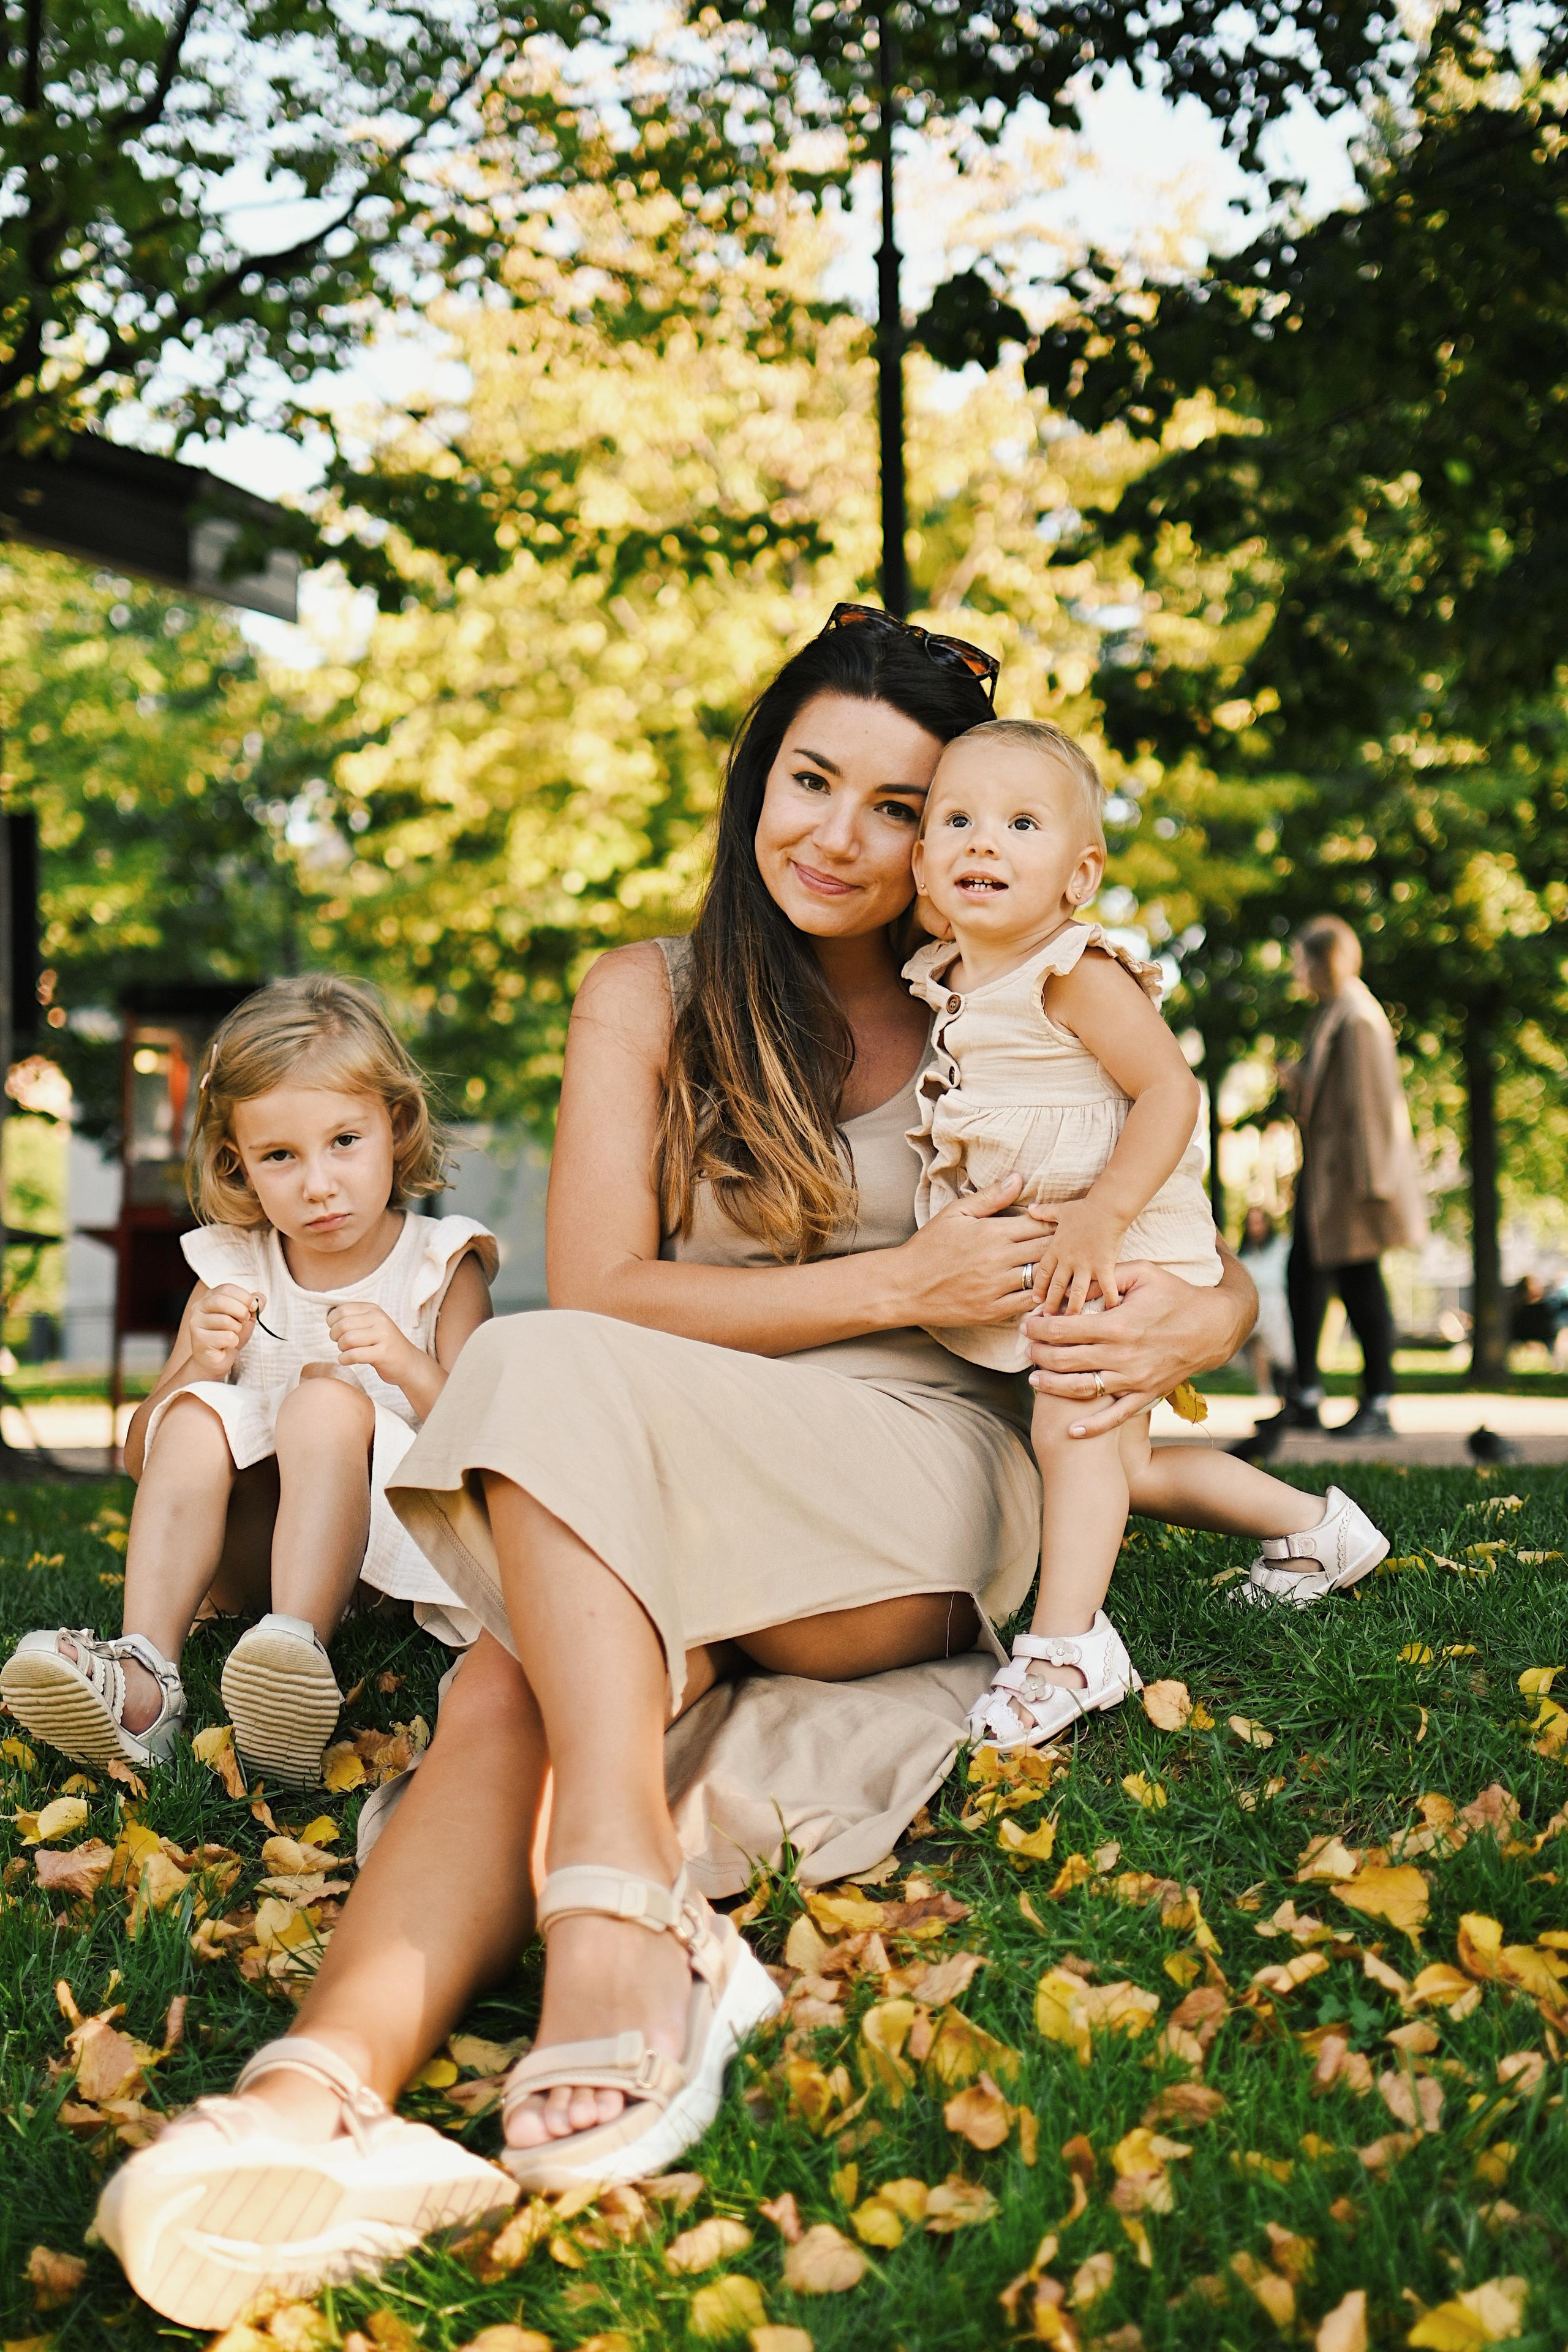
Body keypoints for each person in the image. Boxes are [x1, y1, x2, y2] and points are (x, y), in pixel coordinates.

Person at [94, 609, 1260, 2328]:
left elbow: (1172, 1213)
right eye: (814, 781)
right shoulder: (648, 993)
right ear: (755, 773)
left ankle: (620, 1928)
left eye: (904, 807)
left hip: (929, 1466)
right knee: (521, 1666)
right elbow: (610, 1278)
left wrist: (1204, 1319)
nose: (846, 840)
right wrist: (901, 1277)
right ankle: (312, 2096)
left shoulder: (1012, 993)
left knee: (547, 1404)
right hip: (656, 1433)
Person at [903, 719, 1387, 1753]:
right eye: (957, 821)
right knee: (1114, 1456)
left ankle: (1069, 1646)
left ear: (1079, 877)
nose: (983, 843)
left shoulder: (1072, 970)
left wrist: (1107, 1214)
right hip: (1074, 1249)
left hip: (1121, 1237)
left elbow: (1170, 1088)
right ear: (922, 865)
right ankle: (1318, 1530)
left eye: (1020, 824)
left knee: (1073, 1428)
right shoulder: (951, 973)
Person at [1, 978, 497, 1788]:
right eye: (280, 1157)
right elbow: (140, 1459)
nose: (318, 1184)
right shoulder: (234, 1265)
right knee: (197, 1414)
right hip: (242, 1563)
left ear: (395, 1126)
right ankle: (144, 1681)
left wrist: (406, 1365)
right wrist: (197, 1362)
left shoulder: (441, 1265)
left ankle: (294, 1659)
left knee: (327, 1400)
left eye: (345, 1141)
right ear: (239, 1163)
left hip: (386, 1568)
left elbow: (488, 1451)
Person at [1249, 916, 1427, 1450]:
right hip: (1327, 1177)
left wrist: (1372, 1188)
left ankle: (1378, 1401)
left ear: (1324, 959)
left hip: (1350, 1180)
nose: (1296, 969)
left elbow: (1373, 1107)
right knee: (1304, 1276)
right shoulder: (1333, 1015)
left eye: (1302, 959)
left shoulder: (1357, 1018)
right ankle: (1306, 1394)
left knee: (1359, 1282)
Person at [1237, 1205, 1294, 1396]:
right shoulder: (1244, 1254)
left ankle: (1286, 1383)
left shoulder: (1282, 1247)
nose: (1256, 1228)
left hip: (1278, 1303)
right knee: (1257, 1343)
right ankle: (1266, 1389)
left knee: (1280, 1349)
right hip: (1255, 1305)